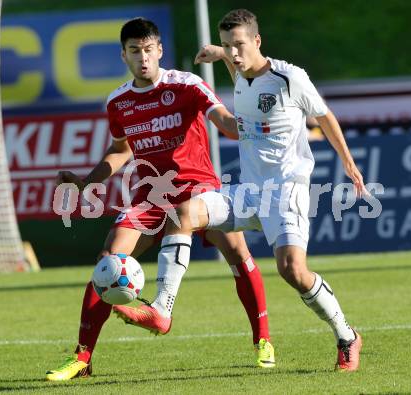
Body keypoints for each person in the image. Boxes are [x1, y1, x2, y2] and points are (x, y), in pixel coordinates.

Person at [118, 9, 366, 372]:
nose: (234, 53)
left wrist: (348, 162)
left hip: (286, 193)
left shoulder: (289, 77)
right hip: (249, 192)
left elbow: (324, 116)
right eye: (227, 46)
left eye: (239, 45)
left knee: (293, 270)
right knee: (184, 212)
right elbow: (239, 74)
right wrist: (219, 55)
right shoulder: (241, 76)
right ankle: (161, 308)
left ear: (257, 41)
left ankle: (347, 336)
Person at [46, 17, 275, 381]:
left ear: (159, 51)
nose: (143, 58)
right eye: (135, 51)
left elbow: (225, 122)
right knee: (108, 262)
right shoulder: (119, 101)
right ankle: (82, 359)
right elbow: (121, 150)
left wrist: (256, 126)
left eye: (149, 50)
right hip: (150, 196)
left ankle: (263, 339)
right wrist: (88, 182)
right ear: (124, 55)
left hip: (199, 188)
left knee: (237, 254)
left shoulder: (187, 85)